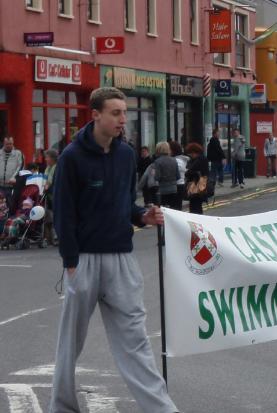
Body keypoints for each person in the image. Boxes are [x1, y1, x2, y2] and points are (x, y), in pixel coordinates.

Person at [49, 87, 178, 413]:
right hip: (84, 260)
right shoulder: (71, 157)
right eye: (116, 113)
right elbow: (63, 212)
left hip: (122, 258)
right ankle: (62, 407)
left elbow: (126, 204)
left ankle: (161, 409)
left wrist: (142, 216)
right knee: (70, 344)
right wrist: (71, 262)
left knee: (135, 342)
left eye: (124, 112)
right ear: (96, 115)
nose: (123, 119)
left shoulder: (126, 154)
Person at [153, 141, 180, 210]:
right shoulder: (174, 160)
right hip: (174, 189)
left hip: (163, 190)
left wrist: (154, 174)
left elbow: (157, 177)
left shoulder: (158, 161)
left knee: (164, 211)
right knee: (173, 210)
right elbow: (178, 176)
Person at [184, 143, 209, 215]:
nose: (190, 155)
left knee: (195, 206)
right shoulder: (200, 159)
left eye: (191, 153)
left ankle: (197, 222)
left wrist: (188, 171)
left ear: (195, 152)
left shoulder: (199, 160)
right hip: (199, 185)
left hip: (197, 186)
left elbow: (189, 171)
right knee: (196, 206)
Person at [0, 136, 24, 208]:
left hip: (12, 186)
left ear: (13, 143)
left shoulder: (18, 153)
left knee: (11, 205)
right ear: (4, 143)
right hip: (0, 185)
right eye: (7, 144)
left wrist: (14, 177)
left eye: (10, 144)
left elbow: (20, 166)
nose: (8, 145)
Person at [169, 140, 189, 211]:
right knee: (177, 207)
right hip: (180, 185)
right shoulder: (181, 160)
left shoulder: (177, 161)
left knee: (175, 208)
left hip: (177, 185)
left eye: (169, 149)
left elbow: (178, 172)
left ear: (173, 150)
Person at [44, 149, 58, 246]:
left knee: (56, 217)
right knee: (49, 218)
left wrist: (48, 188)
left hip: (55, 194)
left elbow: (56, 182)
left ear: (52, 158)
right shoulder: (47, 168)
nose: (45, 159)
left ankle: (57, 237)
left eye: (47, 157)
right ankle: (50, 238)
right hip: (48, 195)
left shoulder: (57, 168)